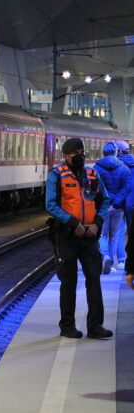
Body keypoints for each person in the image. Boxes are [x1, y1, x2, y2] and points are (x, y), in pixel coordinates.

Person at [45, 137, 113, 339]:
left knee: (94, 278)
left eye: (82, 152)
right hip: (66, 235)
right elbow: (51, 205)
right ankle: (67, 326)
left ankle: (96, 326)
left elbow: (104, 200)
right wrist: (73, 224)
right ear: (66, 156)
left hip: (89, 236)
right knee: (69, 281)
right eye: (76, 154)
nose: (80, 156)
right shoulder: (56, 175)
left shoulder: (92, 174)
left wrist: (97, 223)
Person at [94, 141, 130, 274]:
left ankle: (106, 256)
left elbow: (94, 187)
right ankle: (111, 262)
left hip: (103, 207)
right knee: (114, 235)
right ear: (116, 153)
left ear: (103, 153)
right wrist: (116, 202)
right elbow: (127, 188)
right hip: (118, 207)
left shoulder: (96, 168)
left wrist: (105, 201)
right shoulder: (124, 168)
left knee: (101, 234)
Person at [115, 139, 134, 269]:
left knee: (119, 233)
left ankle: (122, 260)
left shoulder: (117, 165)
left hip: (119, 203)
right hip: (133, 204)